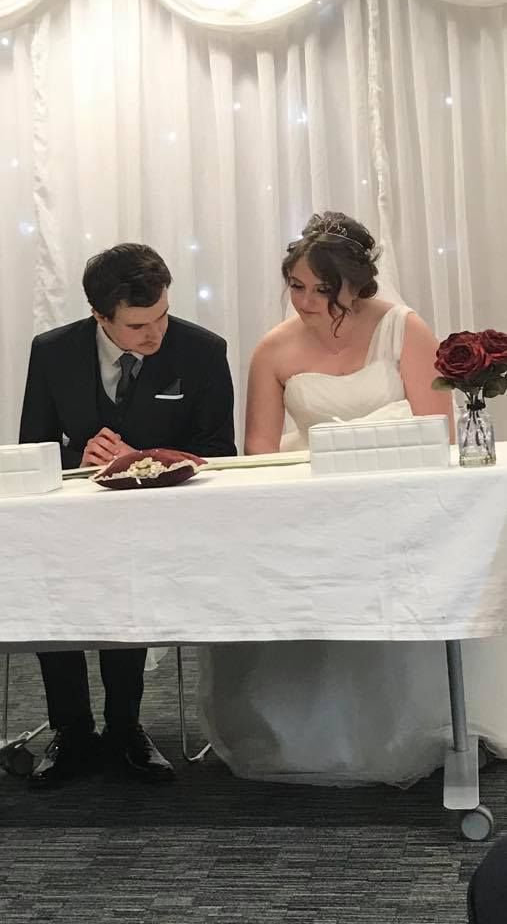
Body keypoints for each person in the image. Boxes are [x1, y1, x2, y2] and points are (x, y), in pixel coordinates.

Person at [197, 210, 460, 785]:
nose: (306, 301)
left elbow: (438, 432)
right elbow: (261, 452)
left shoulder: (403, 329)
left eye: (323, 289)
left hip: (396, 501)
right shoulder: (274, 349)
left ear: (356, 284)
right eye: (296, 286)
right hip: (309, 504)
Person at [19, 242, 236, 787]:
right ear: (99, 315)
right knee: (51, 579)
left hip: (164, 522)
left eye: (162, 315)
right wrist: (80, 456)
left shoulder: (202, 351)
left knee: (126, 579)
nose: (155, 335)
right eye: (139, 326)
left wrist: (142, 460)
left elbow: (222, 449)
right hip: (72, 523)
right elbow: (33, 448)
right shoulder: (53, 352)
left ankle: (125, 727)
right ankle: (69, 729)